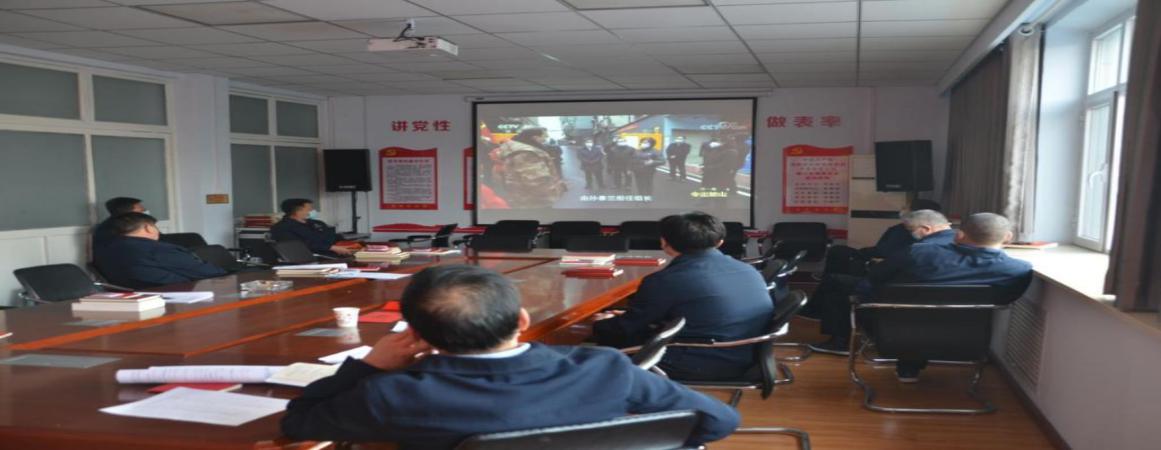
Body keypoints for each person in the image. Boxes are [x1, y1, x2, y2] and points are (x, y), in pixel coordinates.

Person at [281, 265, 740, 449]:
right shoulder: (606, 368)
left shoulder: (391, 393)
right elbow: (718, 421)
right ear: (522, 319)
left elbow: (298, 424)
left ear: (416, 334)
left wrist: (367, 366)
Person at [592, 212, 774, 381]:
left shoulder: (665, 280)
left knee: (601, 343)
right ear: (720, 242)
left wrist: (600, 323)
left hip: (699, 360)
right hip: (744, 355)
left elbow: (625, 329)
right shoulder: (747, 269)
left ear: (664, 242)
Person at [807, 209, 957, 353]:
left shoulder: (917, 250)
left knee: (836, 282)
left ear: (926, 229)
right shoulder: (962, 245)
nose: (911, 234)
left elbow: (876, 275)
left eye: (911, 230)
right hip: (950, 304)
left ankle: (839, 342)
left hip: (901, 299)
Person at [93, 213, 226, 289]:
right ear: (148, 228)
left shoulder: (105, 249)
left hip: (136, 298)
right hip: (175, 297)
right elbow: (209, 273)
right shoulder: (157, 250)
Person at [821, 199, 945, 276]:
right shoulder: (940, 235)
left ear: (916, 213)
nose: (902, 210)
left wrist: (865, 254)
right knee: (840, 252)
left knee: (838, 257)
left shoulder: (905, 230)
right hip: (888, 266)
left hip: (883, 269)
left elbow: (885, 251)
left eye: (905, 208)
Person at [493, 128, 565, 208]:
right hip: (535, 202)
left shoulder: (518, 150)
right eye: (544, 137)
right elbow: (537, 183)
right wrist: (557, 189)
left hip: (522, 199)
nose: (545, 140)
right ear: (535, 138)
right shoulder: (528, 153)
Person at [270, 199, 351, 257]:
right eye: (310, 209)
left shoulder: (317, 223)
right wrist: (331, 248)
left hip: (335, 255)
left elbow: (331, 237)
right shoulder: (281, 228)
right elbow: (298, 246)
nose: (313, 211)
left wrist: (351, 243)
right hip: (311, 259)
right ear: (298, 211)